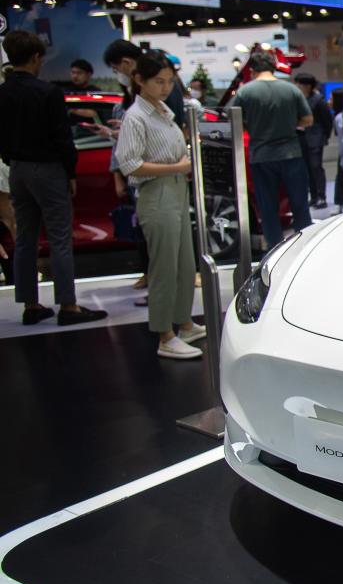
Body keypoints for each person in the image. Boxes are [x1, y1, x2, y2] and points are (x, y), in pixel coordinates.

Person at [0, 31, 109, 326]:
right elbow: (63, 139)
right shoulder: (48, 93)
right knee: (60, 238)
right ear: (36, 57)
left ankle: (31, 305)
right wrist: (70, 172)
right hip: (48, 169)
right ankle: (68, 306)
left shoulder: (3, 92)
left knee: (24, 239)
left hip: (18, 170)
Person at [114, 53, 206, 359]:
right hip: (157, 194)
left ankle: (184, 322)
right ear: (140, 80)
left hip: (177, 191)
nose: (166, 87)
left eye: (169, 81)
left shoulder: (162, 110)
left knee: (183, 263)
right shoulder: (136, 116)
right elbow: (129, 165)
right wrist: (177, 168)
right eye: (158, 81)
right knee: (164, 266)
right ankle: (165, 335)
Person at [233, 51, 313, 249]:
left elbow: (236, 122)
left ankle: (275, 250)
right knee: (299, 204)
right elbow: (308, 119)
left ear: (252, 70)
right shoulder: (291, 89)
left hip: (260, 155)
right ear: (273, 66)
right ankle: (304, 247)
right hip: (291, 153)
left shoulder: (245, 92)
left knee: (268, 207)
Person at [104, 39, 186, 129]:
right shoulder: (134, 87)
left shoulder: (154, 80)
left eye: (116, 68)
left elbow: (169, 121)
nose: (166, 88)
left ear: (126, 62)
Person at [294, 73, 333, 209]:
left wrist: (324, 136)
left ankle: (322, 197)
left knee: (316, 167)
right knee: (307, 169)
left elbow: (327, 121)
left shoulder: (318, 100)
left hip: (315, 138)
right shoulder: (299, 99)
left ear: (307, 86)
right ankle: (314, 196)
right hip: (302, 137)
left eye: (299, 84)